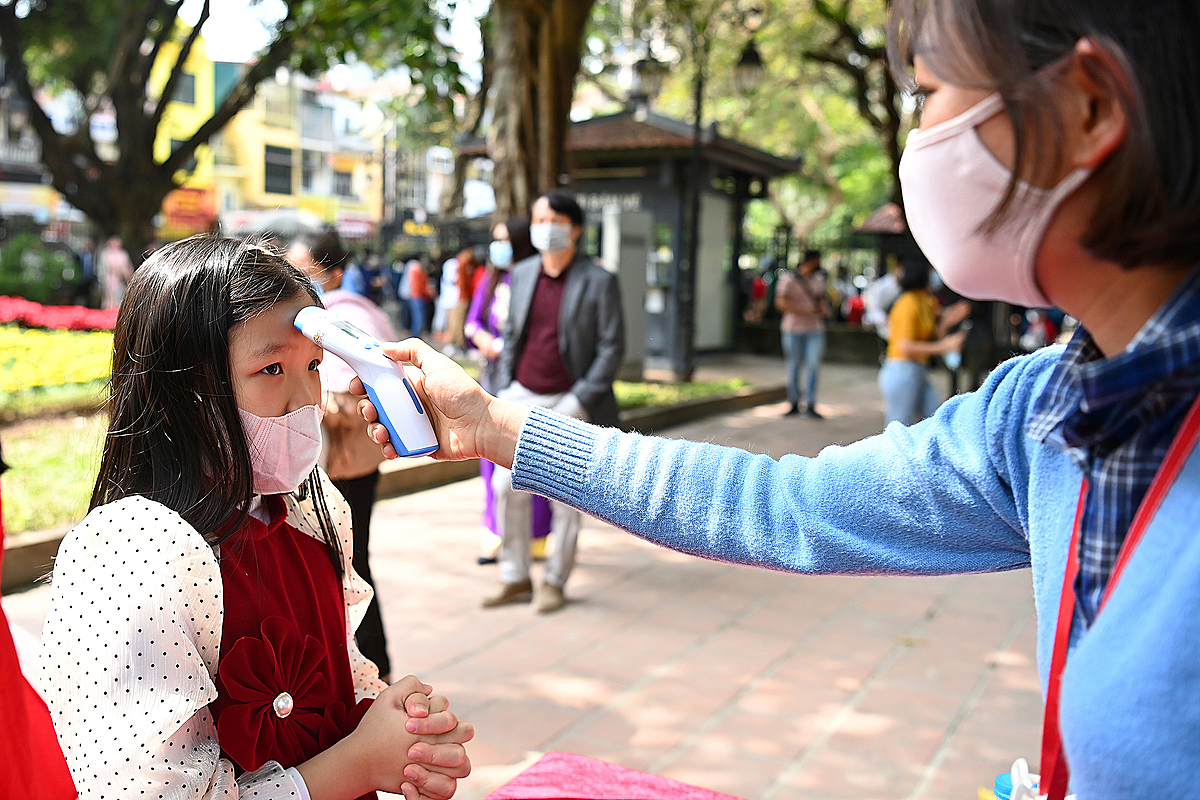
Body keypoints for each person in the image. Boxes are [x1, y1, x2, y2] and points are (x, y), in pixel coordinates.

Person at [358, 1, 1200, 796]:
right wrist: (492, 424)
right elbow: (782, 504)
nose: (920, 140)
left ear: (1087, 108)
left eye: (929, 92)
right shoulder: (1039, 412)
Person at [38, 236, 472, 800]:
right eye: (270, 368)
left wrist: (401, 728)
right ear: (183, 387)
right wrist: (363, 763)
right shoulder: (138, 551)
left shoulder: (314, 515)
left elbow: (342, 682)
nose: (304, 398)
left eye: (313, 365)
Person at [484, 190, 624, 613]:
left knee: (565, 494)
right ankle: (515, 576)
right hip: (521, 394)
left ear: (575, 228)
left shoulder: (599, 280)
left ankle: (555, 581)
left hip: (569, 399)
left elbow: (611, 347)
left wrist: (580, 400)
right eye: (538, 219)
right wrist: (506, 384)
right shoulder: (523, 272)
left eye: (553, 220)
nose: (543, 227)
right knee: (505, 486)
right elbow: (512, 337)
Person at [288, 229, 398, 680]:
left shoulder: (346, 318)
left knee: (352, 566)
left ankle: (375, 669)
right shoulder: (316, 315)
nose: (292, 278)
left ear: (331, 273)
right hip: (335, 465)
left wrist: (316, 401)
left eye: (302, 270)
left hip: (349, 466)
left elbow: (373, 391)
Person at [462, 218, 552, 566]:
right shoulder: (490, 278)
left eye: (505, 239)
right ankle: (495, 535)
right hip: (493, 378)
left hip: (527, 382)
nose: (498, 246)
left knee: (532, 459)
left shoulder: (535, 280)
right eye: (494, 239)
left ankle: (537, 538)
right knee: (490, 460)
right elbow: (473, 322)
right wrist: (486, 340)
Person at [877, 259, 971, 425]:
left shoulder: (925, 302)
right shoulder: (907, 303)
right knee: (899, 426)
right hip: (901, 370)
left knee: (937, 420)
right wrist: (944, 346)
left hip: (918, 370)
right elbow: (906, 346)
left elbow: (932, 335)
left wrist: (948, 322)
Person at [774, 249, 831, 418]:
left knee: (813, 365)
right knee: (794, 365)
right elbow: (780, 302)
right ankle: (793, 402)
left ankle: (810, 403)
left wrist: (822, 309)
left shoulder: (819, 279)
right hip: (793, 329)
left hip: (814, 328)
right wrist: (804, 310)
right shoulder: (789, 279)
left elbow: (821, 299)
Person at [97, 235, 133, 310]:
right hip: (110, 279)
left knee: (120, 299)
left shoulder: (123, 254)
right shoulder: (105, 254)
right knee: (110, 300)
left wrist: (124, 273)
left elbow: (128, 267)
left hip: (121, 280)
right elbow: (102, 269)